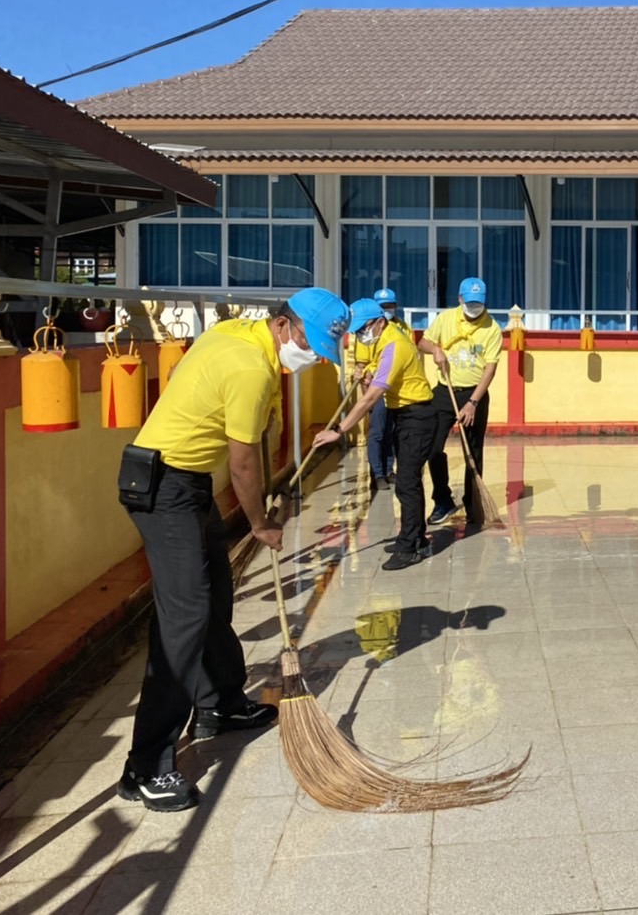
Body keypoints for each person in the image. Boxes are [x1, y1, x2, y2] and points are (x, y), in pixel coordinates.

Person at [114, 287, 348, 812]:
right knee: (185, 619)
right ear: (284, 325)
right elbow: (241, 463)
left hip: (187, 480)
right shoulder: (250, 368)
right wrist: (261, 523)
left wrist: (269, 492)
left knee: (216, 594)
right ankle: (145, 767)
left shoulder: (238, 332)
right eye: (309, 344)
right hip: (162, 486)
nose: (311, 358)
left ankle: (219, 704)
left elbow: (250, 435)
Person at [313, 299, 444, 571]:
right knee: (409, 481)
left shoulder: (395, 344)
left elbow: (371, 397)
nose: (362, 334)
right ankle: (415, 537)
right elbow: (376, 373)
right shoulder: (384, 341)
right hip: (403, 415)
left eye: (364, 328)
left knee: (406, 482)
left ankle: (409, 548)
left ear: (380, 322)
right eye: (358, 330)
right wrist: (367, 373)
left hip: (417, 417)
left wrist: (339, 430)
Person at [425, 278, 503, 531]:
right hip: (444, 392)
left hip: (474, 394)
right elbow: (422, 342)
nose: (474, 307)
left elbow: (490, 370)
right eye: (470, 302)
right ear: (460, 299)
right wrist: (434, 350)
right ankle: (443, 500)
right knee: (432, 447)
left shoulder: (492, 328)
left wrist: (472, 403)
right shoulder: (445, 319)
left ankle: (473, 503)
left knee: (473, 452)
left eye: (478, 303)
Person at [350, 287, 403, 487]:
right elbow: (361, 365)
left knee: (392, 431)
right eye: (382, 307)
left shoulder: (402, 328)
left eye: (389, 306)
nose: (386, 310)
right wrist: (368, 398)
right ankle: (377, 474)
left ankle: (389, 470)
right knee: (377, 432)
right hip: (375, 388)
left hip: (396, 389)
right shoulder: (367, 331)